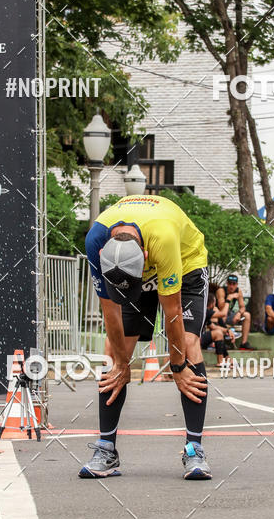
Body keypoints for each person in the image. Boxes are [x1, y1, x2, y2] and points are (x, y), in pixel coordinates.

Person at [81, 194, 211, 480]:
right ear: (103, 255)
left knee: (189, 346)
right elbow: (110, 313)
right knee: (114, 354)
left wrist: (177, 367)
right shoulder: (95, 240)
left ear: (147, 258)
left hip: (185, 263)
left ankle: (194, 450)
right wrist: (122, 365)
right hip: (136, 263)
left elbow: (173, 313)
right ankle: (106, 449)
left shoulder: (162, 240)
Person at [216, 274, 254, 350]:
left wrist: (239, 314)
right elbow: (221, 307)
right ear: (227, 283)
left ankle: (243, 343)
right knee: (224, 315)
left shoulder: (238, 291)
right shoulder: (221, 291)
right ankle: (222, 342)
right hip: (218, 316)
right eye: (230, 283)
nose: (231, 286)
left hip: (230, 314)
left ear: (236, 284)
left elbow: (242, 307)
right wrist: (229, 298)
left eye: (234, 284)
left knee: (247, 315)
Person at [200, 292, 235, 366]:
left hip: (199, 339)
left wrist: (228, 331)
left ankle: (227, 358)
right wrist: (228, 300)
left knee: (218, 333)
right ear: (212, 303)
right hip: (197, 339)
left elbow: (213, 327)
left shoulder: (204, 312)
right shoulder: (205, 311)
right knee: (218, 333)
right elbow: (223, 313)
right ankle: (221, 361)